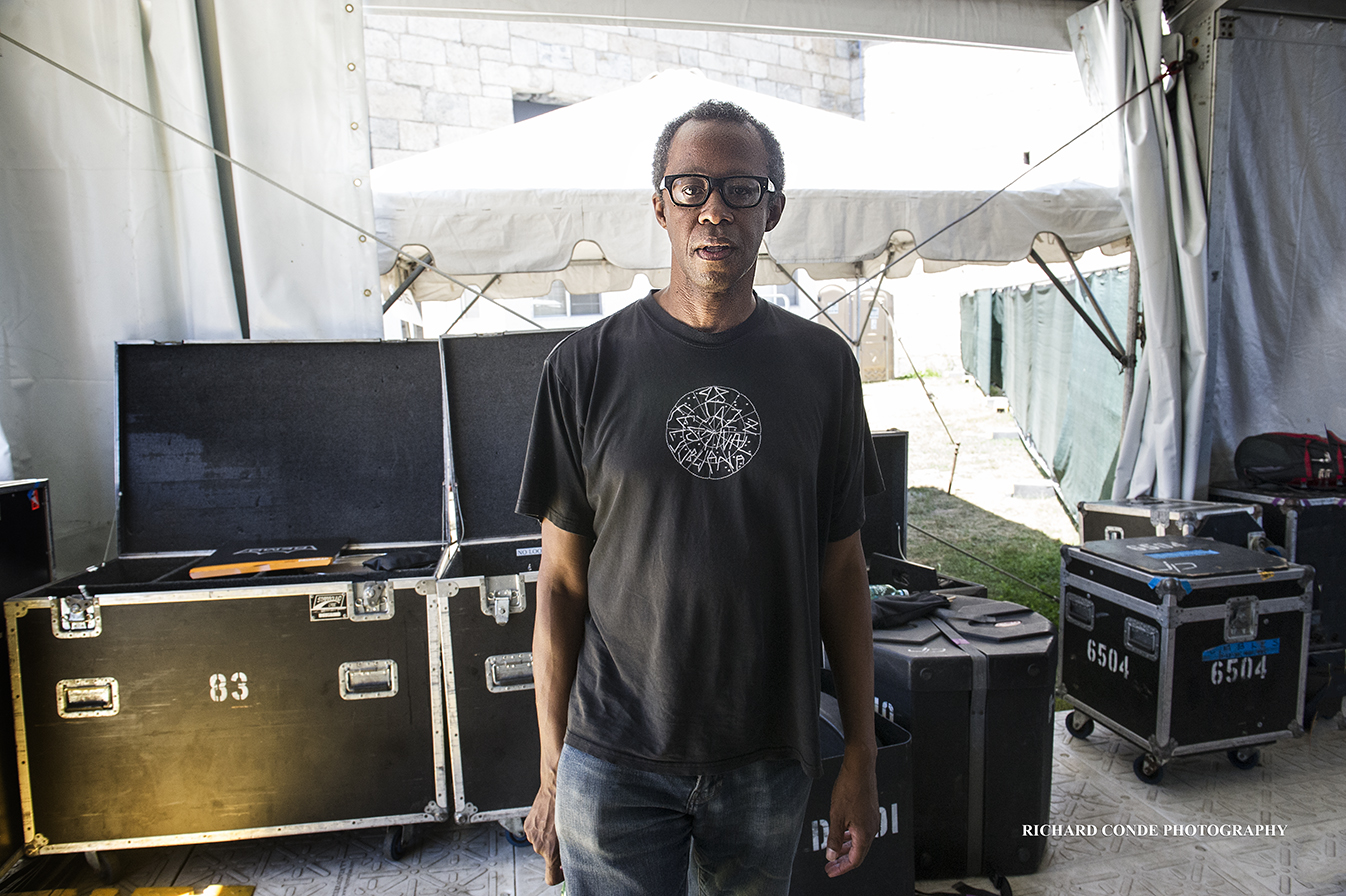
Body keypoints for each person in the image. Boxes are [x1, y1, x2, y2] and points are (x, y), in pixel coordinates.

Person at [516, 98, 881, 895]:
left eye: (741, 189)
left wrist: (860, 753)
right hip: (612, 759)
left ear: (772, 210)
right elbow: (561, 581)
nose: (714, 208)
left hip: (767, 756)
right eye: (690, 188)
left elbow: (842, 570)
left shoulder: (824, 368)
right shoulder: (584, 368)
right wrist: (553, 765)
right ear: (660, 206)